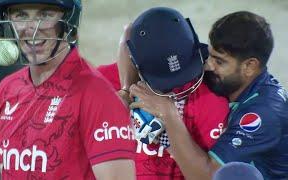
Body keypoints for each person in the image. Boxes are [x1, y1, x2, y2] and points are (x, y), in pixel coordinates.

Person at [129, 11, 288, 179]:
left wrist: (168, 113)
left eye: (218, 61)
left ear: (249, 66)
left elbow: (207, 176)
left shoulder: (263, 114)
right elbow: (129, 34)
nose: (208, 65)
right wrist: (126, 89)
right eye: (211, 55)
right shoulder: (234, 70)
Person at [0, 0, 136, 179]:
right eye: (21, 15)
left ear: (69, 19)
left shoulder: (96, 94)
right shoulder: (7, 89)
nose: (31, 28)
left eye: (45, 15)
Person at [98, 7, 229, 179]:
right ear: (135, 61)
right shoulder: (101, 84)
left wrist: (168, 116)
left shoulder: (215, 99)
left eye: (185, 75)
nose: (177, 88)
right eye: (165, 82)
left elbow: (207, 176)